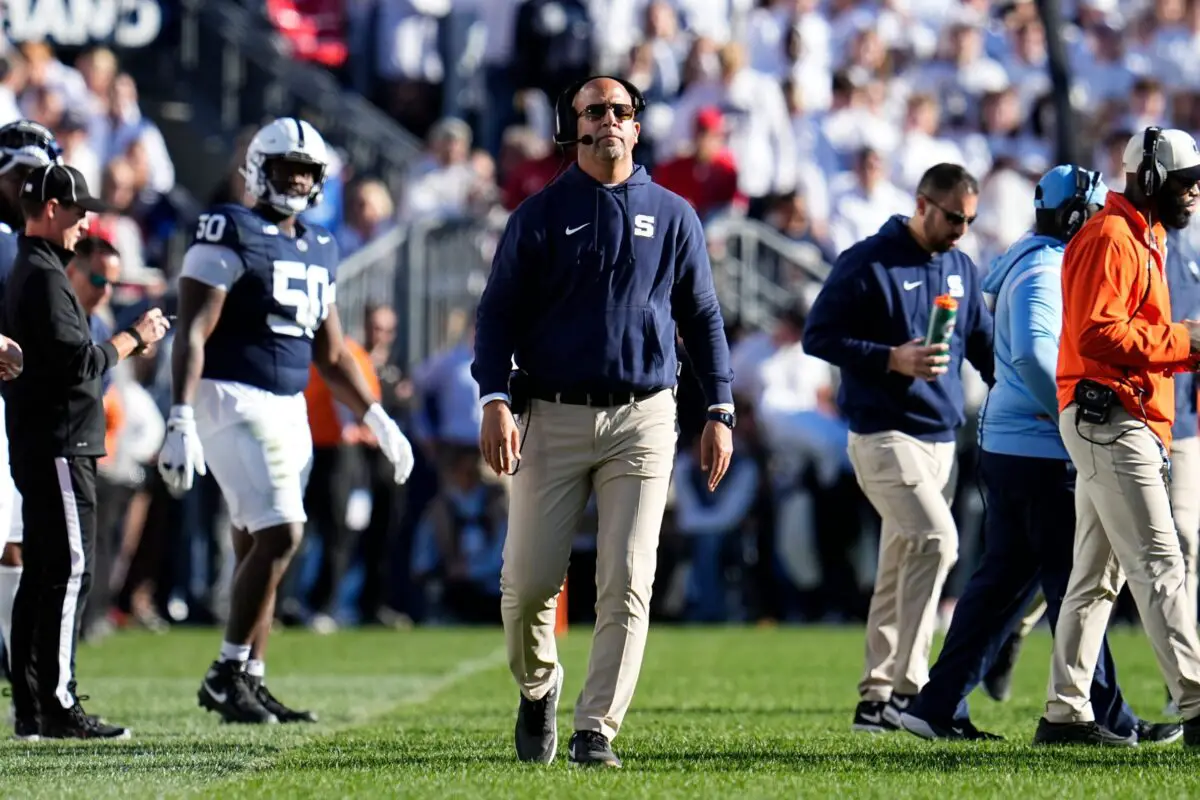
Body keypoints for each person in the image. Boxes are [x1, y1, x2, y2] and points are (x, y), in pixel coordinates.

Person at [471, 76, 734, 768]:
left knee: (627, 575)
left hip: (645, 416)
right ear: (573, 128)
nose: (611, 119)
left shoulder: (675, 214)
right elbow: (496, 315)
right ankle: (538, 688)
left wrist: (720, 408)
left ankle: (597, 730)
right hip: (550, 415)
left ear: (637, 127)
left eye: (622, 110)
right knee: (527, 585)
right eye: (596, 110)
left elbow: (702, 315)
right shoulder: (538, 214)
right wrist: (493, 398)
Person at [896, 165, 1179, 744]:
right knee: (1076, 583)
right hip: (1039, 451)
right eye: (1095, 212)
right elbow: (1028, 355)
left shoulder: (1039, 259)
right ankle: (1100, 716)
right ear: (1077, 215)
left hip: (1019, 447)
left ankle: (935, 705)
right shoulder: (1048, 268)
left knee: (1007, 587)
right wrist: (1072, 417)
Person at [157, 117, 415, 725]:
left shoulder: (322, 245)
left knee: (257, 540)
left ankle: (250, 679)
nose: (297, 180)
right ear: (258, 172)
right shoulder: (229, 228)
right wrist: (179, 414)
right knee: (283, 533)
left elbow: (331, 352)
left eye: (306, 171)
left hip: (288, 405)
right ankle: (226, 671)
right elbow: (194, 330)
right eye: (286, 168)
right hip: (229, 396)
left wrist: (376, 414)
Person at [802, 163, 995, 733]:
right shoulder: (870, 259)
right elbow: (819, 335)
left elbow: (983, 346)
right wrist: (890, 357)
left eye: (970, 220)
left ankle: (876, 698)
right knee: (938, 542)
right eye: (953, 217)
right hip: (883, 434)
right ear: (922, 204)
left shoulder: (960, 267)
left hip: (942, 440)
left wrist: (1019, 396)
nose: (961, 229)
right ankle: (914, 691)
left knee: (903, 562)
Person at [4, 163, 170, 739]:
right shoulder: (46, 274)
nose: (84, 222)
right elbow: (79, 366)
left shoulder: (40, 268)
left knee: (46, 572)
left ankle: (31, 705)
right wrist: (135, 337)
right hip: (58, 442)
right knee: (69, 571)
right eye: (78, 211)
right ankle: (55, 703)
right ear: (51, 208)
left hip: (45, 439)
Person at [1047, 127, 1200, 747]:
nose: (1195, 195)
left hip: (1117, 417)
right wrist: (1185, 343)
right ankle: (1196, 701)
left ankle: (1064, 714)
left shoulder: (1140, 236)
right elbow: (1097, 335)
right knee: (1161, 562)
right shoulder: (1112, 236)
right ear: (1155, 176)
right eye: (1189, 183)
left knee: (1096, 575)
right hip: (1108, 416)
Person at [0, 121, 61, 700]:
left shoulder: (29, 239)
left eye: (35, 177)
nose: (27, 187)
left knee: (16, 541)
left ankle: (20, 668)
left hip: (16, 412)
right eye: (18, 174)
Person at [1164, 216, 1200, 717]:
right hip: (1134, 416)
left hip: (1185, 421)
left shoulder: (1190, 256)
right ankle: (1019, 623)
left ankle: (1185, 683)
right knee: (1096, 554)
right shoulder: (1134, 247)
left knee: (1184, 538)